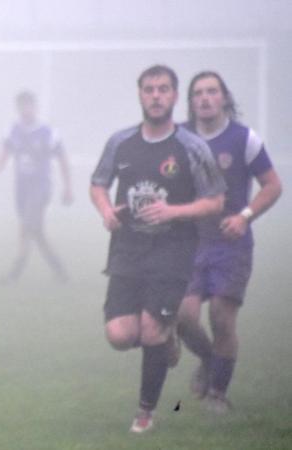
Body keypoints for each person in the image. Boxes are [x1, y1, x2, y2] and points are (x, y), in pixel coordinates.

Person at [89, 64, 226, 433]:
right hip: (127, 250)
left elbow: (215, 201)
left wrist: (174, 211)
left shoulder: (191, 147)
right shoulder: (121, 143)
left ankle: (145, 412)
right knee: (120, 335)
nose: (155, 95)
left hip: (173, 249)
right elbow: (98, 184)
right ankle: (167, 340)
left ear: (174, 96)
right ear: (140, 94)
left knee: (151, 329)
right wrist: (106, 212)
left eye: (163, 89)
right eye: (149, 89)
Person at [176, 71, 282, 413]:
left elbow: (273, 185)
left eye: (212, 92)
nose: (205, 98)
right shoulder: (179, 138)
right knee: (184, 316)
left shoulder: (243, 139)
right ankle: (209, 360)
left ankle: (218, 394)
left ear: (224, 98)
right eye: (198, 93)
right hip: (190, 242)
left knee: (221, 317)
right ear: (191, 102)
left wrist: (245, 216)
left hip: (230, 243)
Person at [0, 91, 73, 282]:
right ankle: (59, 270)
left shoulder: (47, 132)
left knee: (26, 226)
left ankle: (15, 271)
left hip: (40, 187)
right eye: (22, 106)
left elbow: (62, 159)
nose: (26, 110)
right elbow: (3, 154)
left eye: (29, 105)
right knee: (37, 231)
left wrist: (68, 186)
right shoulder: (13, 131)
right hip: (21, 188)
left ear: (34, 107)